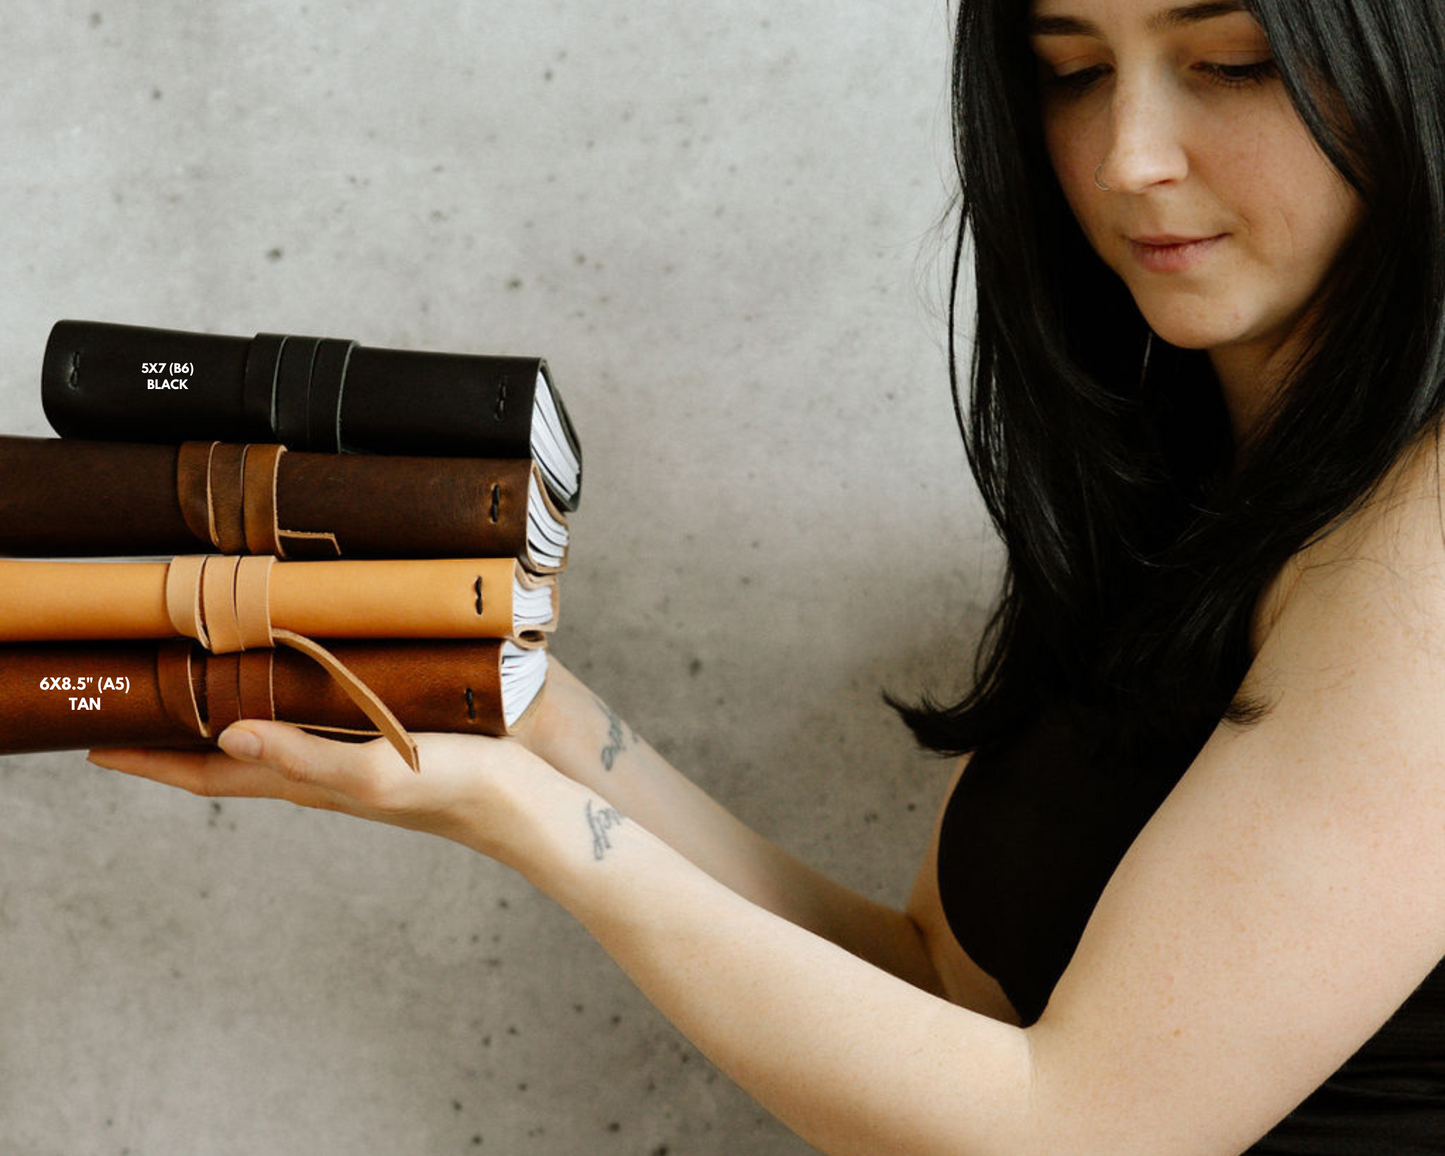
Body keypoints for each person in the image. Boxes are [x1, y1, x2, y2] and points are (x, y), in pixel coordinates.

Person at [87, 0, 1445, 1151]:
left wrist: (525, 820)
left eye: (1233, 61)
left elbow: (1069, 1128)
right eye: (1069, 70)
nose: (1127, 155)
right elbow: (940, 997)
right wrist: (531, 714)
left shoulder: (1425, 543)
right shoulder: (1195, 510)